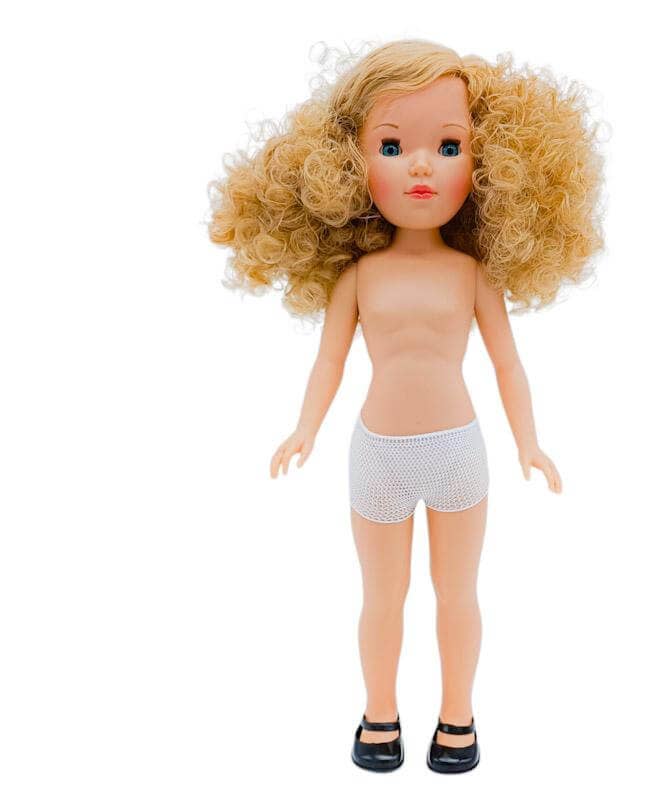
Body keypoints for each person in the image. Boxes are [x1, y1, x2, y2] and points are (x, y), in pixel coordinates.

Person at [207, 38, 604, 773]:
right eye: (392, 147)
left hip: (457, 452)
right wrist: (304, 428)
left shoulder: (472, 273)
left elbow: (508, 362)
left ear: (490, 164)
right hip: (378, 455)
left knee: (457, 594)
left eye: (448, 146)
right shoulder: (359, 276)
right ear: (345, 165)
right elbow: (329, 360)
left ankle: (459, 718)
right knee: (382, 596)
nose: (421, 166)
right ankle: (379, 714)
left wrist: (529, 440)